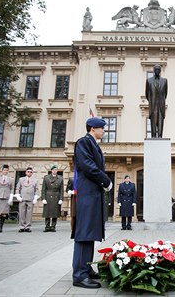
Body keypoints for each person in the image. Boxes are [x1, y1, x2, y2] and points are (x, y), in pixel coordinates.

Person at [72, 117, 112, 289]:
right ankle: (79, 275)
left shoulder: (93, 143)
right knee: (84, 233)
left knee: (90, 232)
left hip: (93, 194)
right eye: (101, 128)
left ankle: (86, 268)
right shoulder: (83, 142)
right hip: (87, 194)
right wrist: (106, 180)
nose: (103, 131)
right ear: (93, 128)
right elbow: (88, 166)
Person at [145, 64, 168, 138]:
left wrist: (161, 100)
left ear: (160, 71)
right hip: (153, 104)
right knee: (153, 121)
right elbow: (147, 93)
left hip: (161, 104)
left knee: (161, 121)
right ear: (154, 71)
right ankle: (154, 136)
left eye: (158, 69)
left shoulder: (164, 81)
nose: (157, 71)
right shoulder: (149, 81)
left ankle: (160, 136)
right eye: (156, 69)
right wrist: (152, 101)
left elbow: (165, 93)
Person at [15, 167, 39, 233]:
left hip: (30, 198)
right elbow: (17, 188)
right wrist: (17, 196)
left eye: (31, 172)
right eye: (28, 171)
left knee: (29, 214)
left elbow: (36, 189)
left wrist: (35, 197)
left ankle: (28, 227)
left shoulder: (35, 180)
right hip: (22, 198)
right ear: (26, 172)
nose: (29, 173)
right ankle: (21, 227)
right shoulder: (21, 179)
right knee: (22, 213)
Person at [0, 164, 14, 233]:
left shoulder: (11, 179)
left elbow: (12, 188)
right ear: (2, 171)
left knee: (4, 213)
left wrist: (11, 197)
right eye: (4, 170)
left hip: (6, 197)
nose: (6, 171)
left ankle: (1, 226)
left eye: (7, 170)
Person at [41, 165, 64, 232]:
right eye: (54, 170)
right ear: (51, 170)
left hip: (56, 196)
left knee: (55, 213)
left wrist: (61, 199)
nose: (55, 171)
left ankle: (53, 226)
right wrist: (43, 198)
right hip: (48, 196)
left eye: (56, 170)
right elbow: (43, 189)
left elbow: (61, 190)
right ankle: (47, 226)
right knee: (47, 213)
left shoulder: (60, 178)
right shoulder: (46, 177)